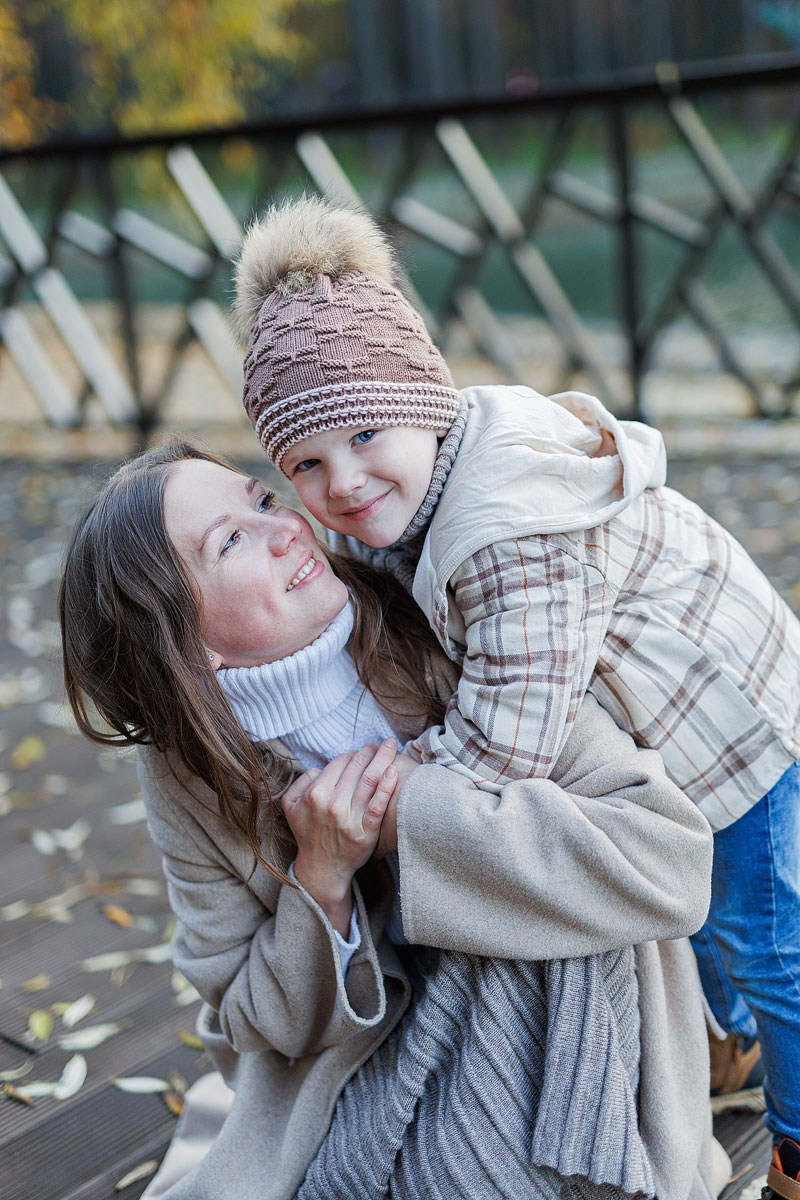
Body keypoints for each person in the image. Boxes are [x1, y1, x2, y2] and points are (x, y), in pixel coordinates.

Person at [233, 195, 800, 1198]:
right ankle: (735, 1049)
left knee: (762, 934)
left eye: (364, 434)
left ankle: (793, 1142)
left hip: (725, 722)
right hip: (653, 717)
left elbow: (508, 747)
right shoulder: (416, 482)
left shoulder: (506, 533)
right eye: (304, 466)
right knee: (704, 915)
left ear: (421, 400)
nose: (346, 482)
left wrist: (389, 797)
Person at [59, 440, 722, 1200]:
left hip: (561, 1014)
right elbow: (249, 1020)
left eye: (264, 500)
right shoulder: (188, 772)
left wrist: (414, 813)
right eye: (232, 541)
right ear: (188, 646)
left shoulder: (449, 623)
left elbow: (671, 864)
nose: (288, 529)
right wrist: (322, 881)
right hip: (370, 1058)